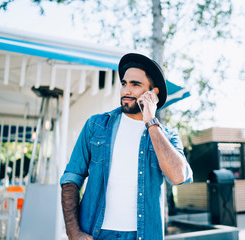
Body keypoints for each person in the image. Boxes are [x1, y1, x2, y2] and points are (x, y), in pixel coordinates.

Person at [60, 53, 193, 240]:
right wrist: (73, 232)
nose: (126, 91)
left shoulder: (167, 136)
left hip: (143, 235)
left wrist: (150, 122)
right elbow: (71, 178)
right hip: (96, 234)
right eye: (124, 83)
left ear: (153, 93)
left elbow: (179, 177)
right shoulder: (95, 125)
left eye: (135, 84)